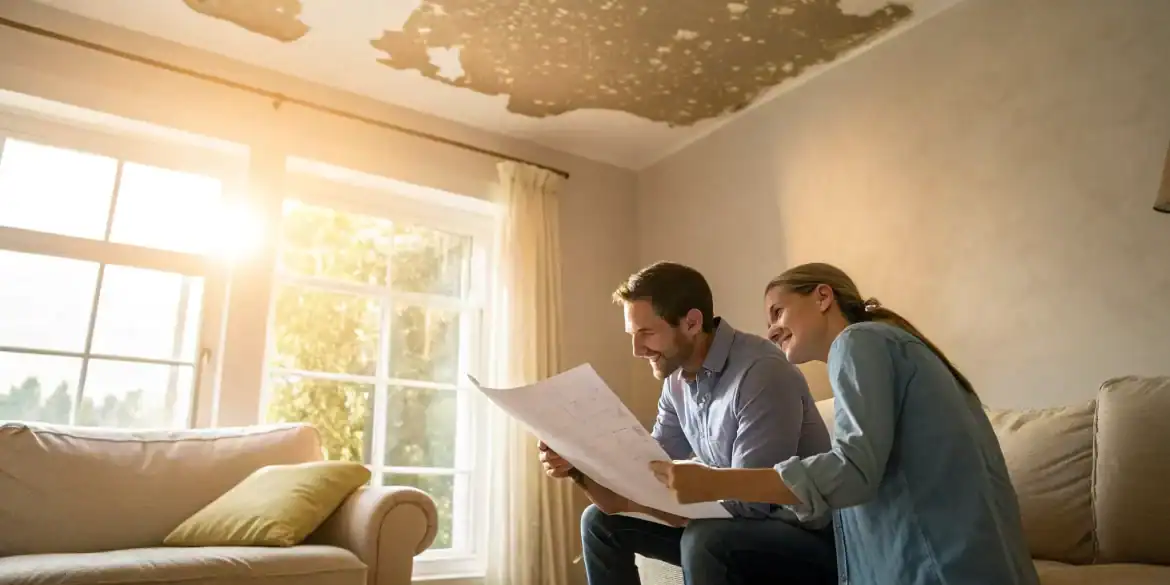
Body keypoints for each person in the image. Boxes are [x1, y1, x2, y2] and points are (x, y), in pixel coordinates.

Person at [648, 262, 1040, 585]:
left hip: (940, 568)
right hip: (974, 565)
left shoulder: (859, 343)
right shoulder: (895, 345)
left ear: (823, 296)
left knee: (711, 541)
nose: (770, 330)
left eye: (778, 312)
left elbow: (853, 471)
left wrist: (714, 482)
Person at [538, 261, 837, 585]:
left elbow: (753, 505)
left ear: (692, 322)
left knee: (705, 538)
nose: (637, 350)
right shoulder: (676, 382)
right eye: (632, 335)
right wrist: (577, 466)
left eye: (647, 333)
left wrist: (664, 508)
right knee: (599, 523)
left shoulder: (761, 372)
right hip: (730, 530)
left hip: (805, 539)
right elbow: (645, 474)